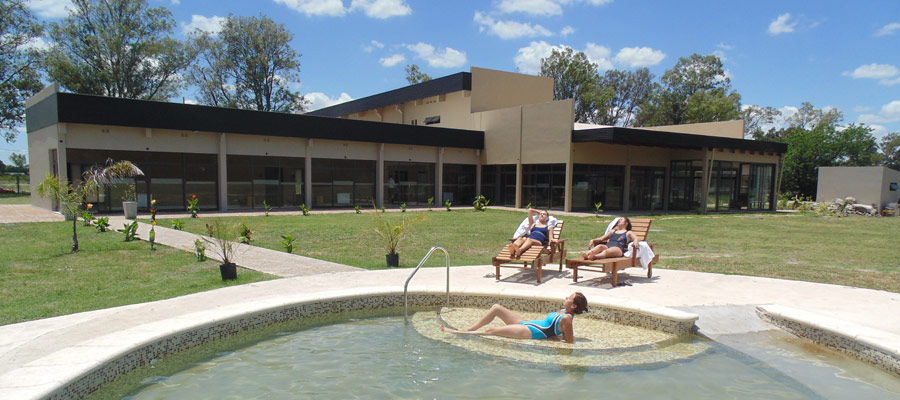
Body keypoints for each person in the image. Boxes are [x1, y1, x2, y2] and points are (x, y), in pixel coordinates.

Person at [440, 293, 588, 343]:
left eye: (569, 298)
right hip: (528, 323)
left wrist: (551, 337)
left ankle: (459, 333)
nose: (566, 298)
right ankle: (471, 328)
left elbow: (569, 341)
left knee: (492, 330)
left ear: (574, 306)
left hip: (530, 331)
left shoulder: (567, 318)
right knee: (497, 308)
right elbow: (558, 331)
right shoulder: (563, 311)